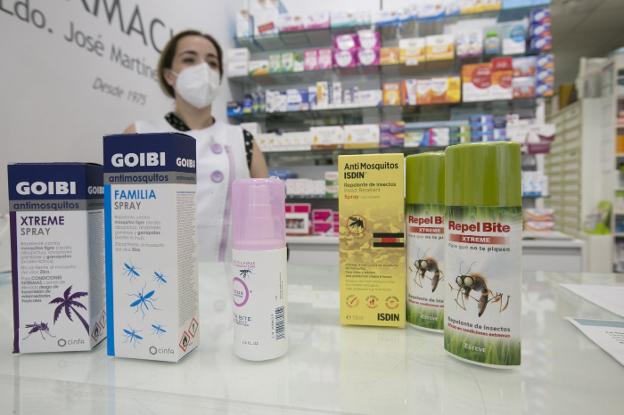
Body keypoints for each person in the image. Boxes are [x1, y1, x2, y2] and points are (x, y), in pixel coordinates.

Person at [124, 30, 268, 261]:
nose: (203, 69)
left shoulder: (243, 140)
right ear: (169, 76)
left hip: (232, 275)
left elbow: (265, 217)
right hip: (160, 274)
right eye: (189, 59)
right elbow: (123, 220)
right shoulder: (139, 135)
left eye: (212, 63)